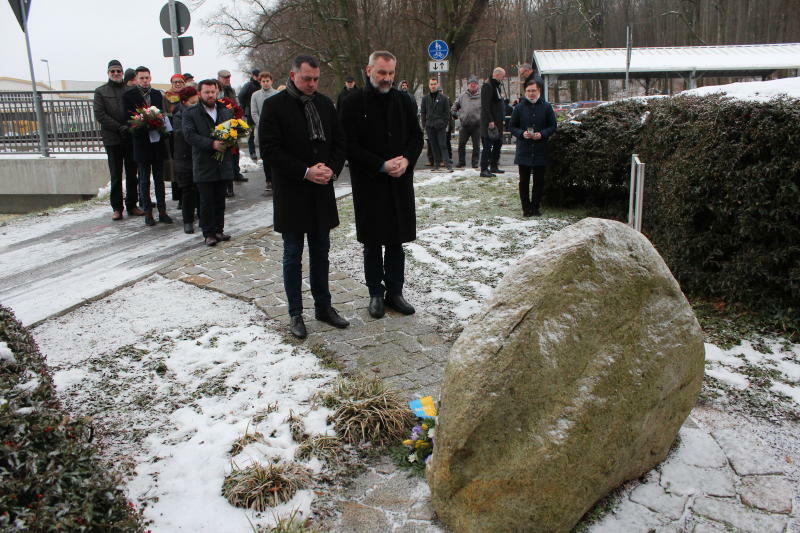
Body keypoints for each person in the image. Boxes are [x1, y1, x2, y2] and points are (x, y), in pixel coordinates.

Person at [259, 54, 349, 339]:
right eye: (306, 78)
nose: (312, 84)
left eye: (316, 79)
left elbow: (339, 143)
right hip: (292, 192)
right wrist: (305, 171)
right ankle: (295, 313)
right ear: (293, 75)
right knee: (292, 255)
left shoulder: (324, 104)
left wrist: (330, 170)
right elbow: (270, 150)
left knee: (321, 253)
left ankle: (324, 307)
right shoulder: (275, 106)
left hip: (321, 190)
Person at [340, 51, 423, 319]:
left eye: (390, 73)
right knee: (373, 241)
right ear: (369, 70)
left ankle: (395, 292)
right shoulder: (352, 102)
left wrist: (407, 160)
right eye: (381, 73)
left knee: (396, 240)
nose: (387, 78)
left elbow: (416, 137)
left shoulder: (404, 100)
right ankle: (375, 293)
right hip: (370, 183)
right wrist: (380, 164)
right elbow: (348, 145)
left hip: (399, 182)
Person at [183, 79, 236, 246]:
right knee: (206, 201)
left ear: (217, 92)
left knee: (220, 199)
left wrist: (229, 140)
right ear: (200, 93)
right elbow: (189, 135)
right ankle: (209, 233)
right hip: (204, 163)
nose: (210, 95)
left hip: (222, 163)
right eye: (206, 92)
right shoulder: (191, 113)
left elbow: (232, 131)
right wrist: (211, 144)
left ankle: (219, 230)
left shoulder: (225, 111)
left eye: (213, 92)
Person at [93, 59, 143, 220]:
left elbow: (137, 110)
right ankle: (117, 208)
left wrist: (131, 126)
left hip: (129, 137)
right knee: (115, 174)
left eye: (118, 71)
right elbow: (100, 115)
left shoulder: (130, 89)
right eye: (113, 71)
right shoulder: (101, 91)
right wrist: (118, 127)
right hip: (112, 138)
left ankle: (132, 204)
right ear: (108, 73)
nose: (116, 74)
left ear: (122, 73)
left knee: (132, 173)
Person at [122, 66, 172, 227]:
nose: (144, 81)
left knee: (159, 179)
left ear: (150, 78)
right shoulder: (129, 95)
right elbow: (128, 119)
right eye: (141, 78)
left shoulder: (157, 94)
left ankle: (163, 211)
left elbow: (163, 114)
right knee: (144, 179)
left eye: (147, 78)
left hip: (157, 141)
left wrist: (158, 122)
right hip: (141, 142)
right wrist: (143, 123)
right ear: (136, 79)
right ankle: (148, 212)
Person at [509, 78, 557, 217]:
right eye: (528, 91)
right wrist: (522, 133)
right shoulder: (519, 107)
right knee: (523, 181)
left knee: (539, 181)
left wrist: (542, 134)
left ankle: (535, 207)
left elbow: (553, 126)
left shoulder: (546, 107)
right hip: (524, 149)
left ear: (539, 91)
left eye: (533, 91)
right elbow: (512, 126)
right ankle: (526, 208)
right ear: (525, 92)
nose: (531, 94)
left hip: (541, 149)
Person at [170, 86, 201, 233]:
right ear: (184, 101)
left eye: (197, 102)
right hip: (184, 156)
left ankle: (203, 217)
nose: (196, 105)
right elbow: (181, 134)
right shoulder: (178, 114)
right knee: (188, 190)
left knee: (201, 188)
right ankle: (187, 220)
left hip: (199, 155)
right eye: (192, 102)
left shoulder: (200, 111)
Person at [250, 71, 279, 192]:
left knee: (278, 154)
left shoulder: (278, 94)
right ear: (260, 82)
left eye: (267, 81)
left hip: (276, 129)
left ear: (271, 81)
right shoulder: (255, 95)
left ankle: (277, 178)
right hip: (262, 129)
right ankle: (268, 180)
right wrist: (262, 125)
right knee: (265, 156)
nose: (266, 83)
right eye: (263, 81)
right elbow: (254, 112)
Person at [218, 69, 246, 191]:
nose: (227, 79)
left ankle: (235, 174)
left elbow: (236, 106)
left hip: (232, 123)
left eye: (229, 77)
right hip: (221, 126)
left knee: (234, 152)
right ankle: (227, 182)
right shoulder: (219, 91)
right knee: (225, 154)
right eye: (225, 78)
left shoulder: (231, 90)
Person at [420, 77, 452, 172]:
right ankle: (436, 164)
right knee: (433, 146)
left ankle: (448, 165)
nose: (433, 86)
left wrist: (444, 123)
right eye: (431, 84)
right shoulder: (425, 98)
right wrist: (424, 124)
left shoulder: (444, 98)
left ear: (437, 85)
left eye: (434, 84)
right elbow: (423, 112)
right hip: (430, 126)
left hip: (440, 126)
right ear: (429, 86)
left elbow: (447, 113)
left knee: (443, 145)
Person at [480, 67, 507, 177]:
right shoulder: (488, 86)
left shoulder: (497, 87)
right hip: (490, 122)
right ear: (497, 75)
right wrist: (490, 120)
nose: (503, 78)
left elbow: (497, 103)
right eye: (503, 76)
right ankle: (484, 169)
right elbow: (485, 105)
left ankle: (494, 166)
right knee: (487, 146)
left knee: (498, 144)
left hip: (498, 121)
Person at [451, 76, 481, 169]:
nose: (473, 85)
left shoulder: (482, 96)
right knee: (461, 145)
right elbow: (455, 105)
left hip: (477, 125)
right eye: (471, 84)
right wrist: (454, 112)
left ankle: (475, 163)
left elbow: (487, 109)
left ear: (477, 85)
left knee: (476, 146)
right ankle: (461, 162)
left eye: (474, 84)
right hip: (464, 124)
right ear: (468, 85)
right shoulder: (462, 95)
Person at [238, 69, 261, 160]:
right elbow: (240, 96)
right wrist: (244, 107)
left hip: (260, 110)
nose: (257, 78)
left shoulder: (260, 85)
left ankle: (261, 152)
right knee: (251, 133)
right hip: (250, 110)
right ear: (253, 76)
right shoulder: (248, 85)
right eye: (256, 76)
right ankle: (252, 152)